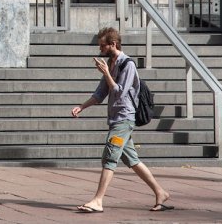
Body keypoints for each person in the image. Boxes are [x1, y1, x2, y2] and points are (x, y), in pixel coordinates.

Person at [71, 27, 172, 213]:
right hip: (116, 119)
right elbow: (101, 93)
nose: (100, 49)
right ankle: (161, 192)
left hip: (124, 119)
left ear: (113, 44)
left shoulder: (128, 65)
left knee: (110, 156)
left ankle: (98, 200)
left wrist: (107, 73)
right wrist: (82, 107)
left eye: (103, 45)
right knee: (132, 159)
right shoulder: (110, 63)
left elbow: (118, 92)